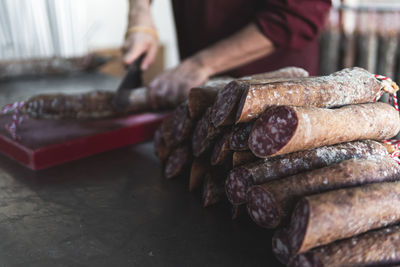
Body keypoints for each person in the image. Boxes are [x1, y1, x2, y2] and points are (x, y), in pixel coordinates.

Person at [123, 0, 332, 109]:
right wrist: (139, 15)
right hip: (197, 85)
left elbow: (299, 13)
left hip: (273, 98)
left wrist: (201, 64)